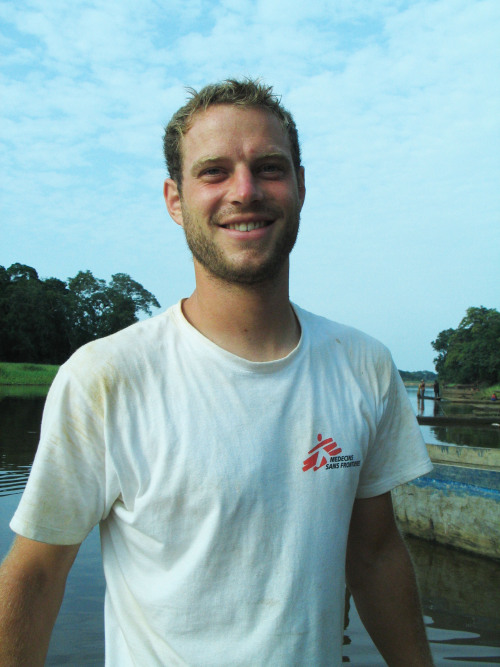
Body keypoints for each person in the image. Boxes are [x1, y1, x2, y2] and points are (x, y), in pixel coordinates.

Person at [0, 79, 434, 666]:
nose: (245, 191)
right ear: (175, 199)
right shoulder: (107, 376)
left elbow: (376, 552)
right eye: (214, 172)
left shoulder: (364, 365)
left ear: (301, 187)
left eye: (270, 167)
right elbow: (37, 572)